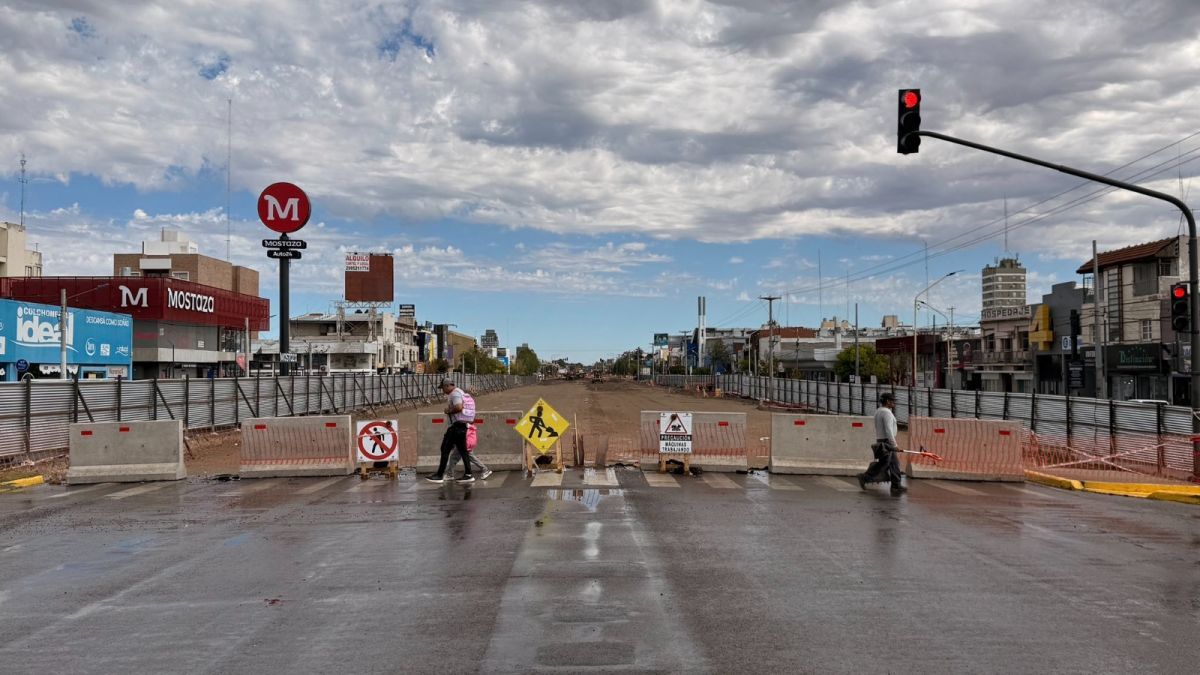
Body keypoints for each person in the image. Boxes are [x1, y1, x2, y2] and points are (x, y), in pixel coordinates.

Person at [425, 377, 476, 484]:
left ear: (448, 386)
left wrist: (448, 410)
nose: (442, 390)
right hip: (461, 426)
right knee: (463, 451)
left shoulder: (455, 394)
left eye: (443, 387)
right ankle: (468, 474)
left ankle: (439, 475)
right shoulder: (460, 392)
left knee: (445, 449)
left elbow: (458, 407)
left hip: (456, 427)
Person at [858, 391, 906, 494]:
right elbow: (888, 430)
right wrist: (894, 445)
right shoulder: (887, 413)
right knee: (886, 463)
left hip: (881, 440)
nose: (894, 403)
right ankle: (865, 477)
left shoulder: (879, 411)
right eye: (893, 401)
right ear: (888, 401)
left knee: (892, 463)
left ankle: (896, 485)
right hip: (886, 441)